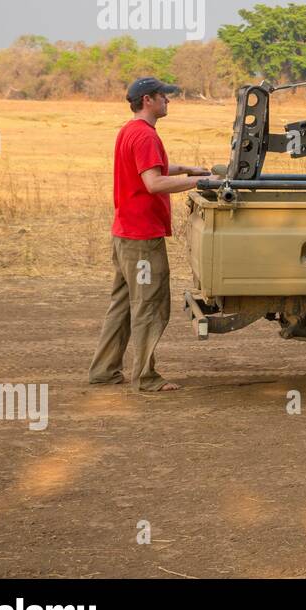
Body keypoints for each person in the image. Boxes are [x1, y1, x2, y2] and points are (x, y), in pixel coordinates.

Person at [89, 78, 210, 391]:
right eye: (163, 96)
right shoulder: (145, 136)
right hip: (142, 238)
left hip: (125, 233)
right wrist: (201, 183)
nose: (168, 101)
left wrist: (189, 170)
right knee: (149, 306)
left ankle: (104, 370)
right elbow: (153, 183)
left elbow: (152, 168)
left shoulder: (130, 131)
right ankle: (146, 377)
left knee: (123, 305)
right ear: (147, 100)